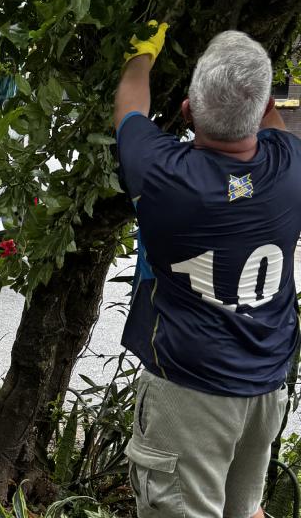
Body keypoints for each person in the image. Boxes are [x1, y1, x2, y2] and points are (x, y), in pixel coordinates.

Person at [114, 26, 298, 518]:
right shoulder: (290, 168)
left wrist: (142, 53)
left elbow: (129, 108)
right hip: (263, 391)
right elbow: (272, 122)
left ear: (187, 112)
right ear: (261, 112)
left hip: (189, 397)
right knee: (247, 510)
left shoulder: (165, 177)